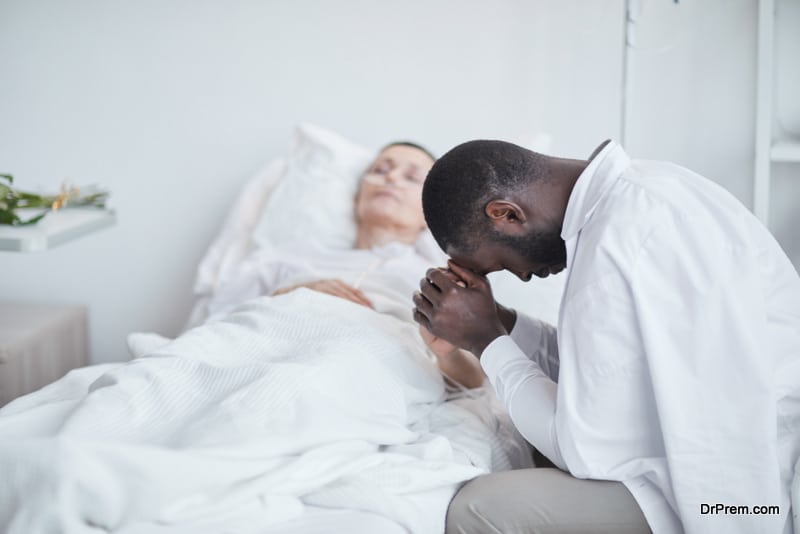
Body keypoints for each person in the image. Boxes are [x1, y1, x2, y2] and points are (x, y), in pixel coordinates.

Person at [412, 139, 800, 534]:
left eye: (500, 265)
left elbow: (581, 450)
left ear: (506, 214)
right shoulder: (649, 190)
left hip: (743, 504)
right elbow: (605, 377)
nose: (523, 276)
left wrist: (485, 341)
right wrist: (500, 321)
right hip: (757, 463)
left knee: (477, 510)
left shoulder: (614, 247)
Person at [206, 141, 485, 388]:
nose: (391, 178)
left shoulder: (446, 281)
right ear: (356, 197)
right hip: (254, 354)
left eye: (411, 177)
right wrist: (292, 292)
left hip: (359, 373)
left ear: (431, 211)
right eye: (379, 170)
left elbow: (474, 384)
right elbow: (217, 324)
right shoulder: (287, 258)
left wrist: (445, 351)